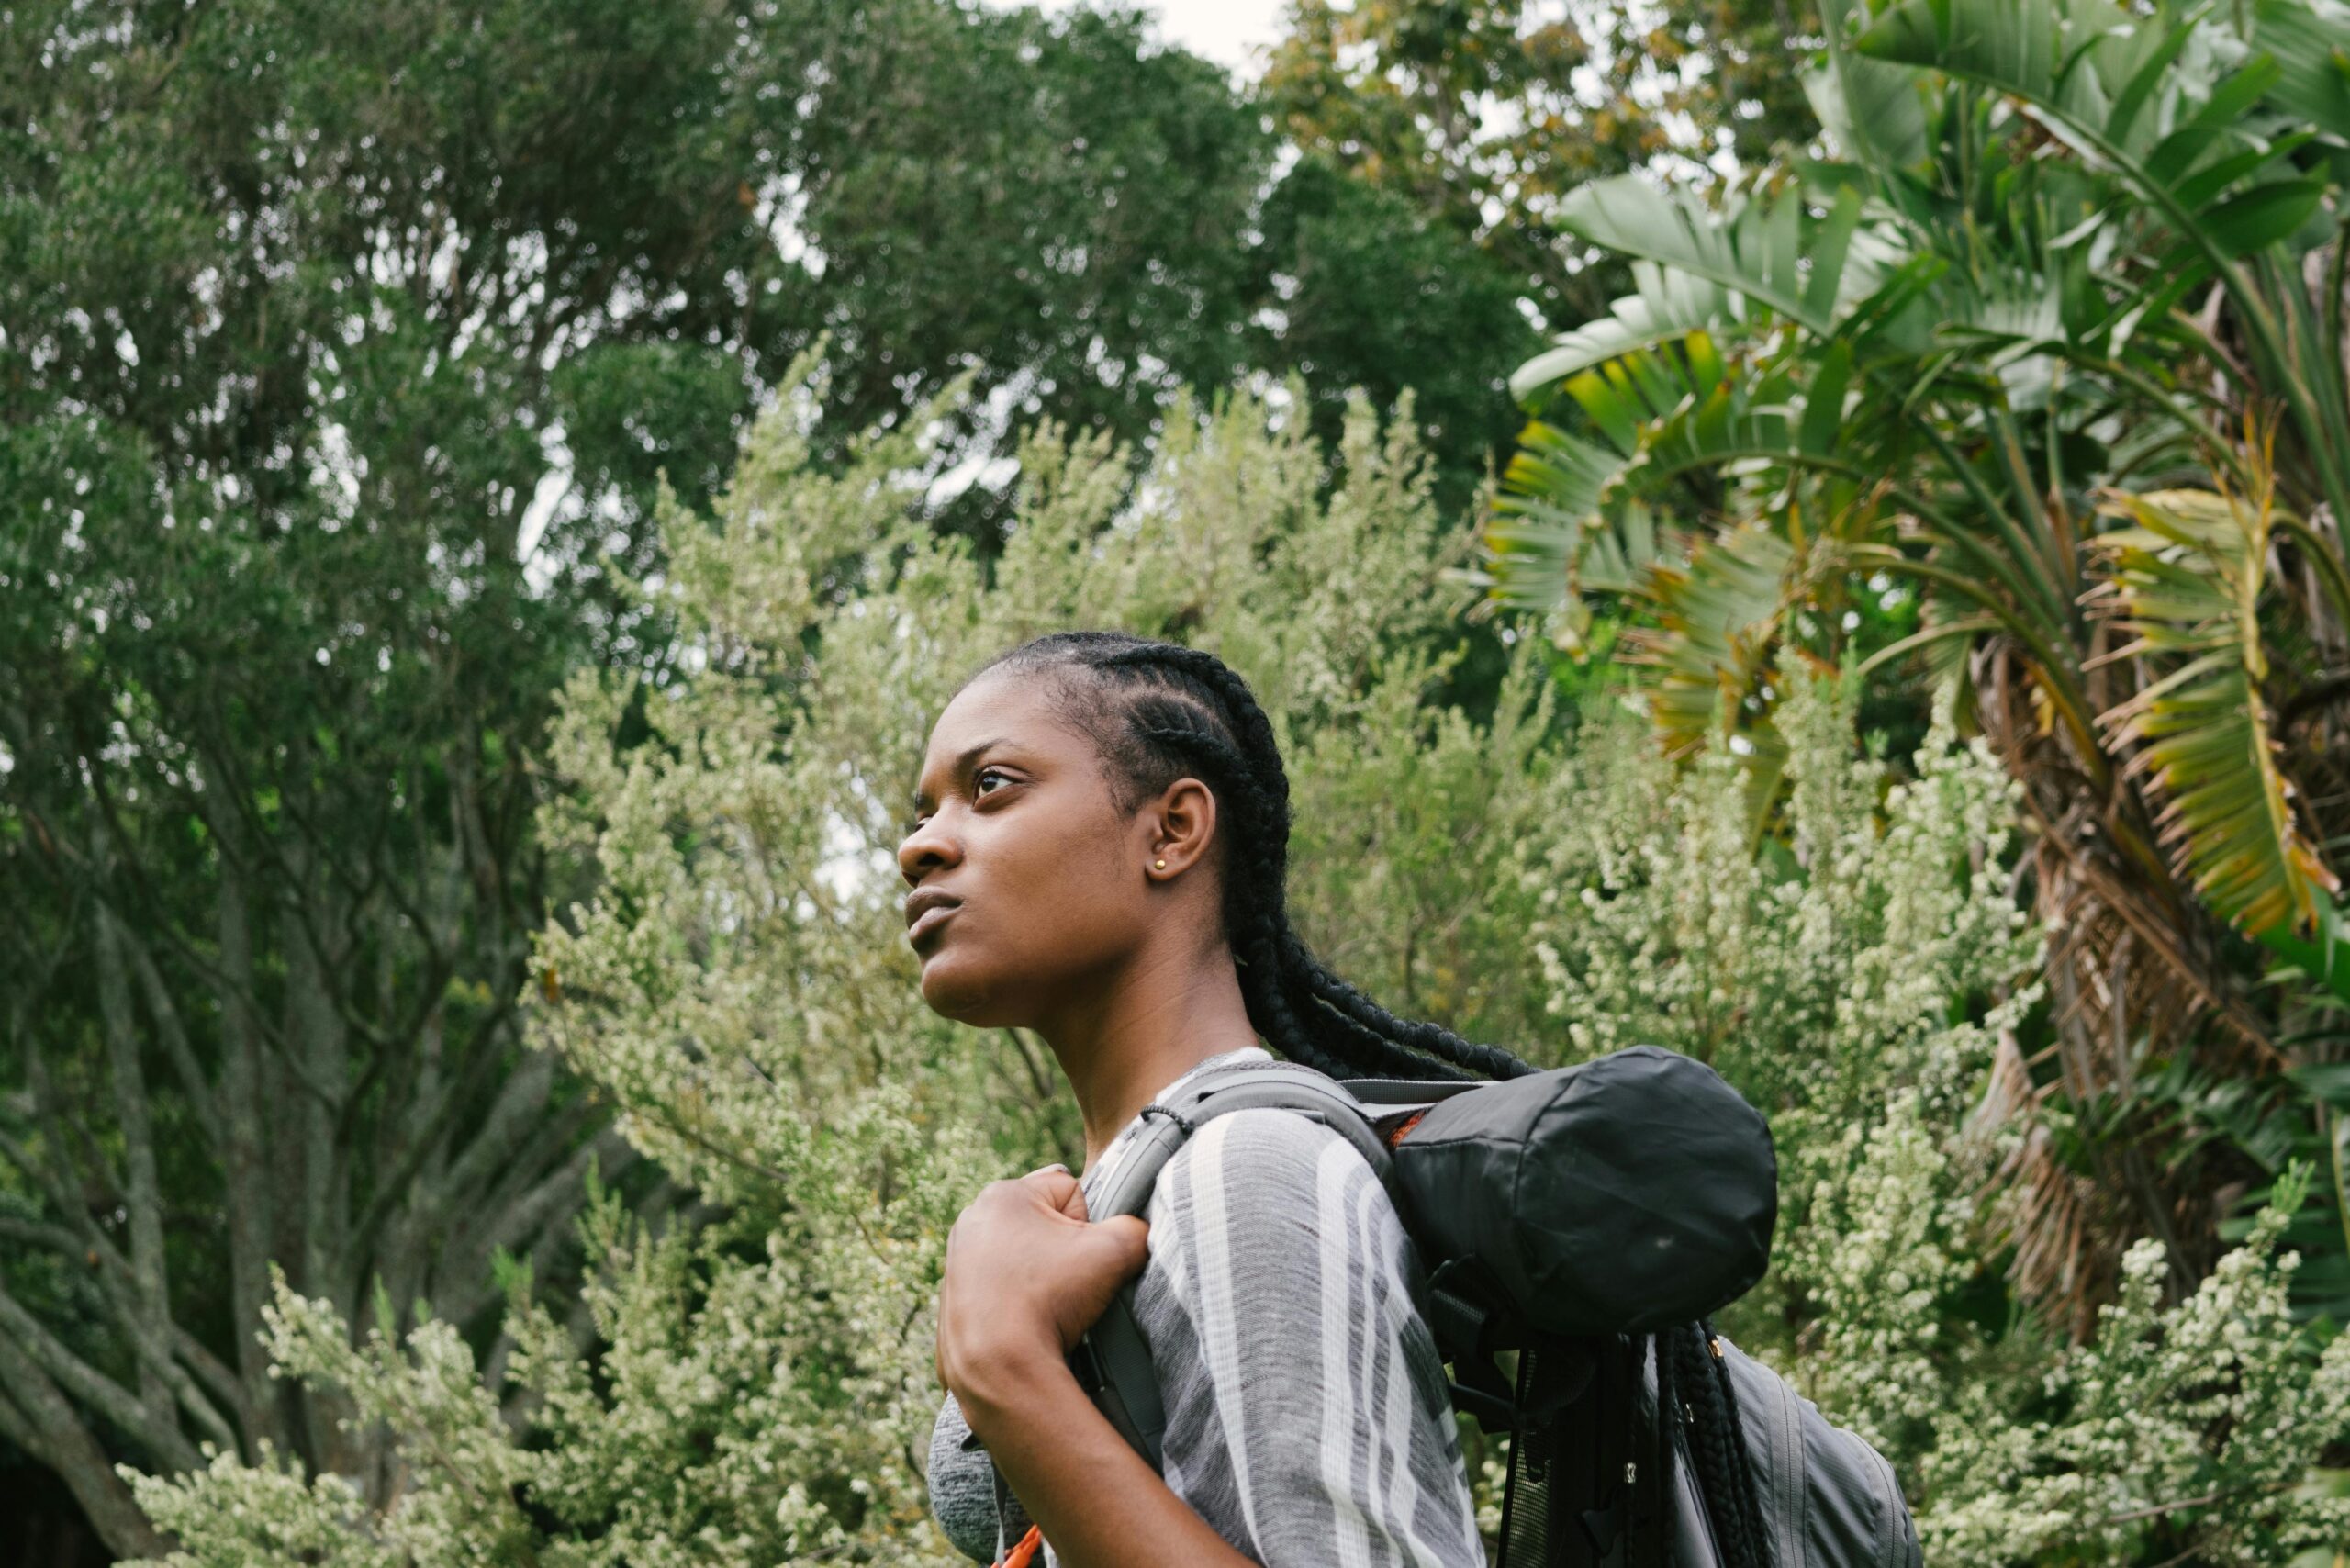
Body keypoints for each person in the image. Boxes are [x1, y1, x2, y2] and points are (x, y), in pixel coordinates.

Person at [908, 631, 1516, 1568]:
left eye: (990, 786)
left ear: (1171, 831)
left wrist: (1006, 1373)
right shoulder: (1137, 1190)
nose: (920, 844)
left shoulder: (1247, 1170)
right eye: (922, 810)